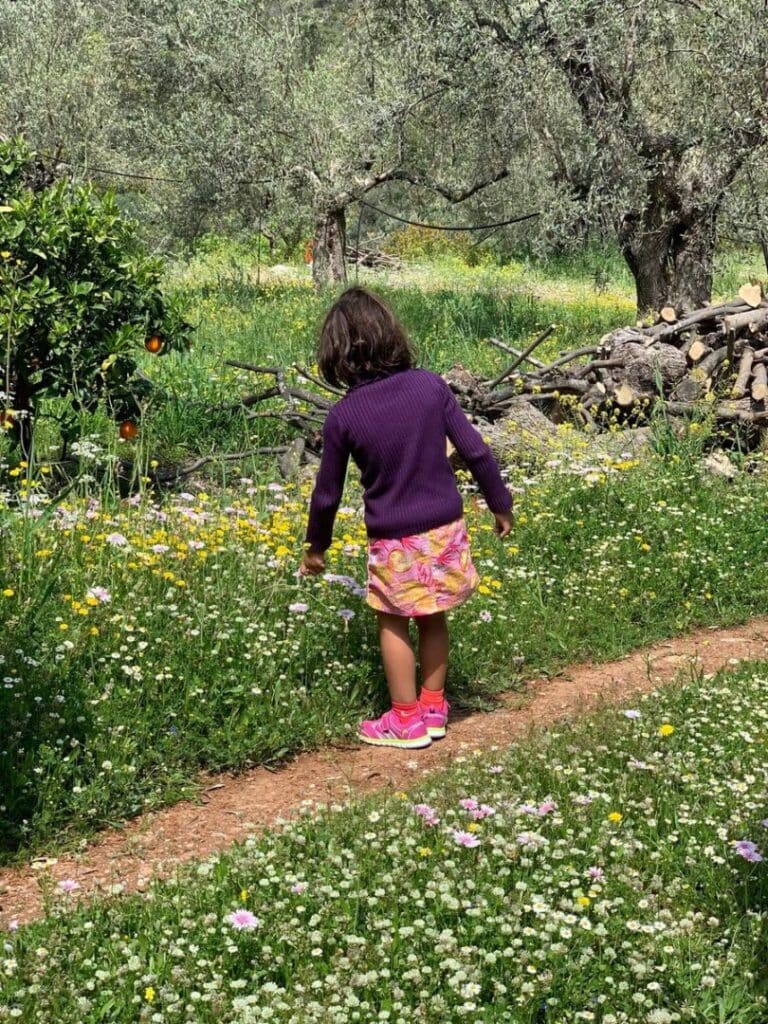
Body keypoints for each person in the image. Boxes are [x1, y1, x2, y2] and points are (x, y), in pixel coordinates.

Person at [299, 287, 513, 749]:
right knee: (433, 614)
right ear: (391, 334)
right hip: (445, 527)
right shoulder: (429, 386)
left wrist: (317, 547)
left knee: (393, 618)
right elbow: (475, 449)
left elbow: (327, 495)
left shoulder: (344, 416)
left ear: (337, 354)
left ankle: (405, 720)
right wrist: (500, 502)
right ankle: (434, 707)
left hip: (395, 538)